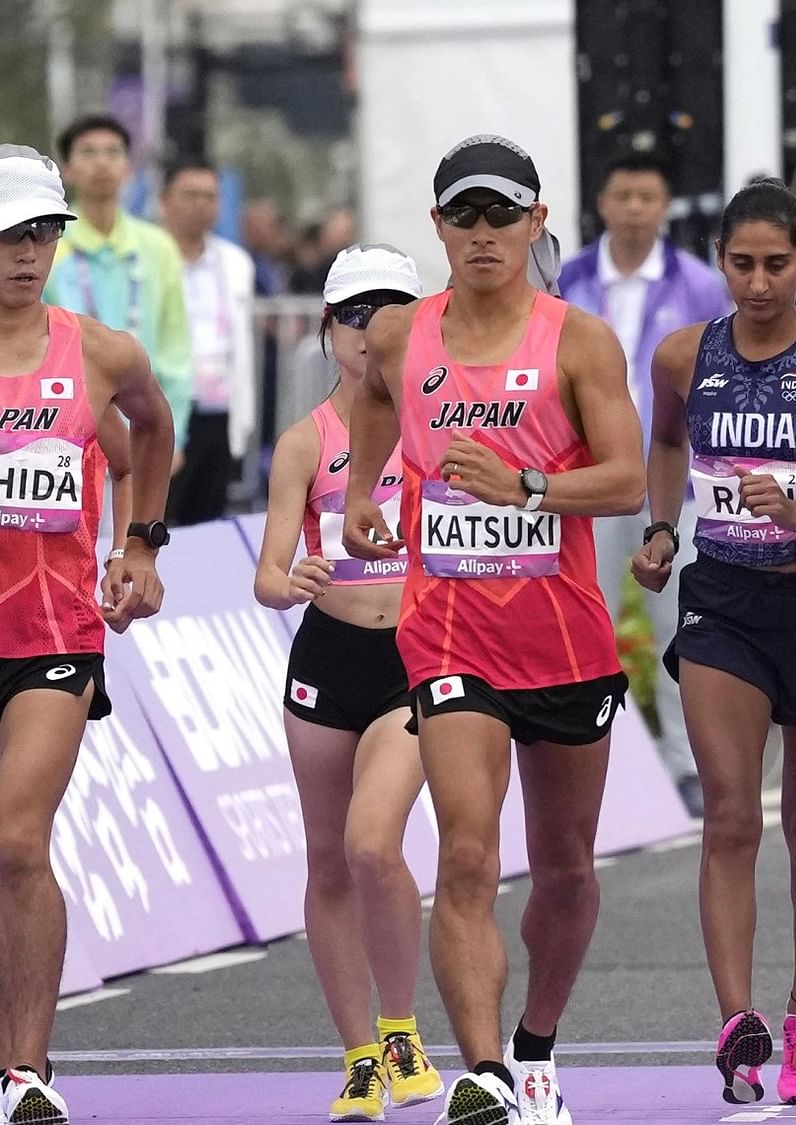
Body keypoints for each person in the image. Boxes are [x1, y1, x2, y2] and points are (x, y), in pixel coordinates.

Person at [342, 134, 645, 1125]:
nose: (482, 235)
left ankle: (533, 1050)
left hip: (561, 637)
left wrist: (527, 484)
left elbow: (629, 479)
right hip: (448, 634)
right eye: (463, 217)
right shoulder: (402, 336)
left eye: (501, 216)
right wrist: (356, 493)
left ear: (535, 222)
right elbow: (379, 407)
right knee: (466, 856)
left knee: (563, 869)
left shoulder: (578, 339)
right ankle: (480, 1071)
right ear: (437, 228)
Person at [631, 177, 796, 1108]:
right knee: (733, 815)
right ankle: (737, 1024)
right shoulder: (680, 356)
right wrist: (664, 527)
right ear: (719, 262)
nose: (756, 283)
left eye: (775, 264)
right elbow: (665, 446)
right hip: (724, 608)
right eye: (741, 264)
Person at [0, 143, 173, 1125]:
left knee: (18, 837)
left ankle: (28, 1074)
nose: (27, 254)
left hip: (53, 632)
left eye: (41, 234)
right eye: (9, 236)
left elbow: (148, 431)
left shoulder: (99, 353)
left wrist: (138, 546)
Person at [251, 244, 442, 1122]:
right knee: (328, 859)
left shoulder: (438, 423)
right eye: (356, 316)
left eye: (392, 311)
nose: (374, 333)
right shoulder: (305, 442)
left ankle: (402, 1027)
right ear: (329, 330)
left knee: (374, 843)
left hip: (414, 659)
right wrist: (291, 582)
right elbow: (267, 572)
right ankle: (359, 1054)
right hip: (327, 660)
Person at [557, 151, 730, 817]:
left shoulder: (697, 285)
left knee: (678, 629)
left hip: (673, 490)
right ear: (603, 201)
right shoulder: (565, 279)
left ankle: (686, 770)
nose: (634, 207)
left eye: (647, 196)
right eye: (623, 194)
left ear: (664, 207)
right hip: (588, 484)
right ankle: (592, 766)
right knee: (583, 623)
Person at [46, 115, 193, 461]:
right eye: (89, 153)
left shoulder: (158, 247)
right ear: (67, 169)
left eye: (113, 153)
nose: (101, 163)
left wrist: (175, 434)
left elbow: (176, 349)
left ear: (128, 167)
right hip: (64, 431)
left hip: (145, 426)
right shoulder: (48, 245)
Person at [160, 158, 257, 525]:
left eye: (210, 196)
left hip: (218, 408)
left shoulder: (235, 263)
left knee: (208, 518)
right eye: (190, 194)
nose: (201, 204)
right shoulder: (146, 257)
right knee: (159, 518)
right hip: (163, 407)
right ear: (164, 200)